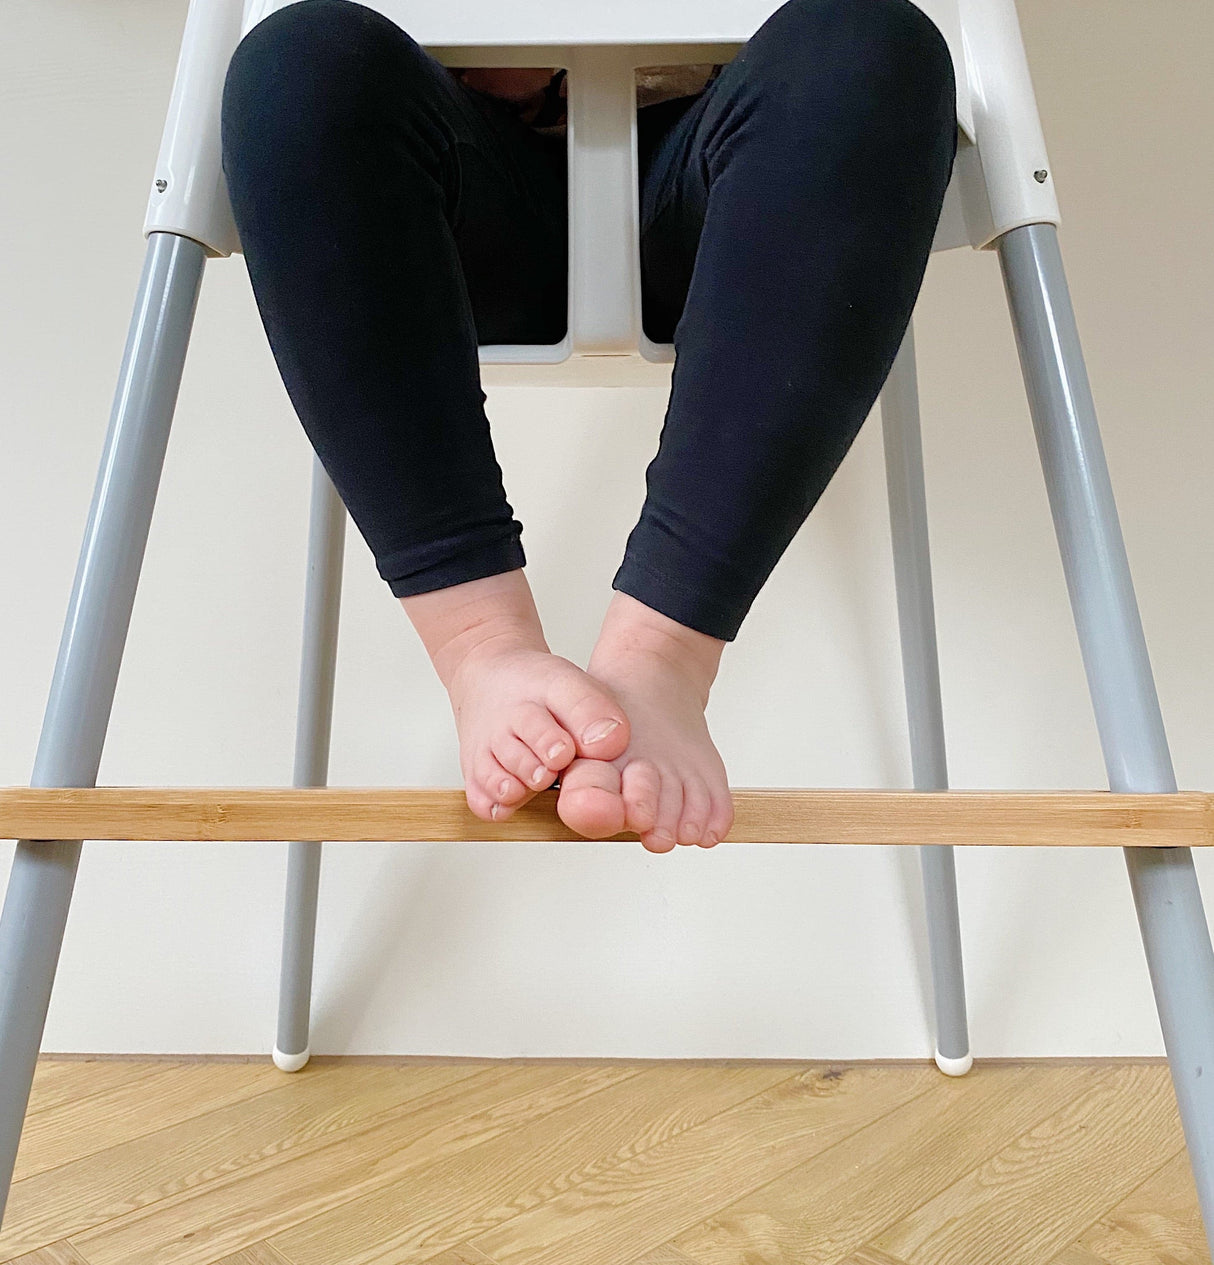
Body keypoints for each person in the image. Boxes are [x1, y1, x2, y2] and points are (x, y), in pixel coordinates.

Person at [220, 0, 957, 853]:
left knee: (869, 45)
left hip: (747, 182)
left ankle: (662, 654)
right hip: (446, 178)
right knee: (298, 64)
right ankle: (479, 642)